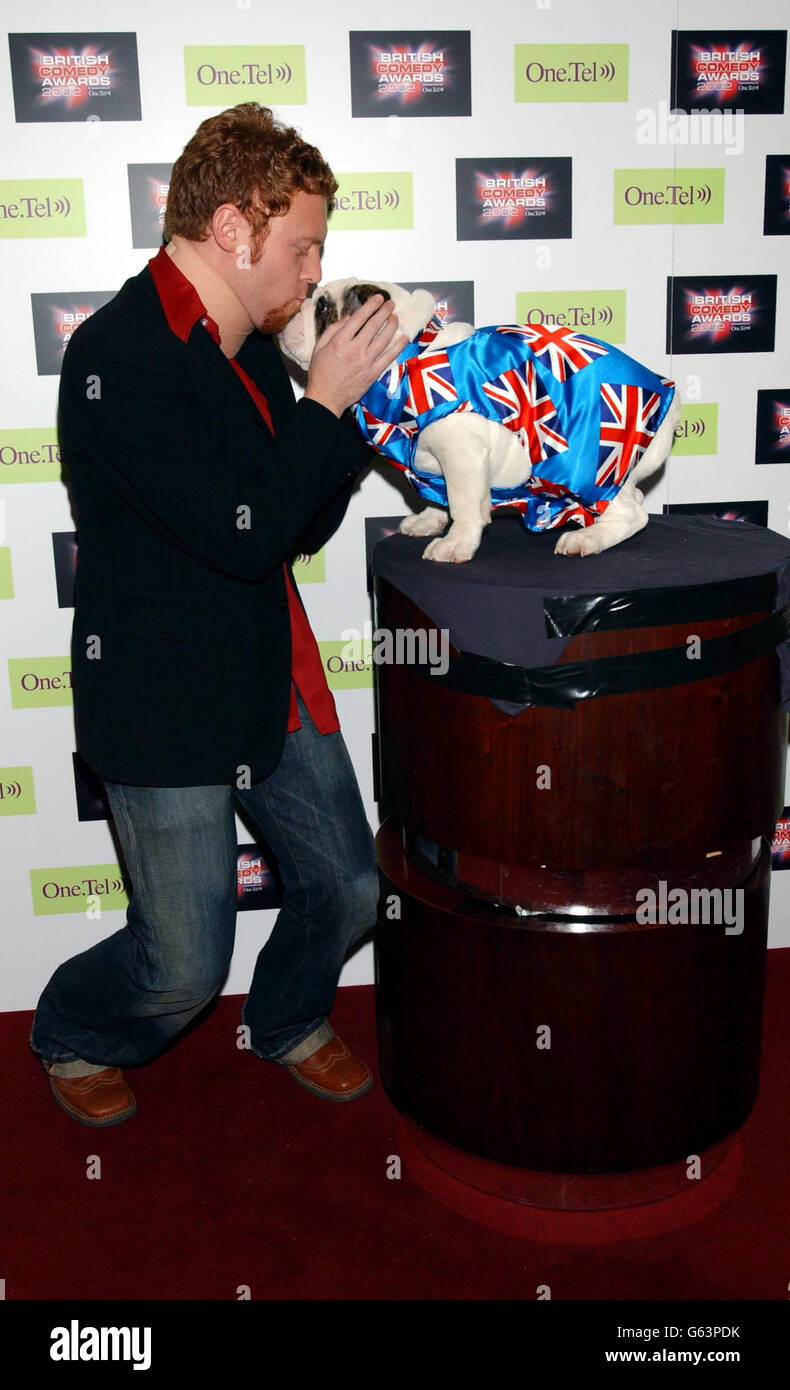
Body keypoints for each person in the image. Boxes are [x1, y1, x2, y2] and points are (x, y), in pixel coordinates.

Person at [28, 102, 407, 1126]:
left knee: (349, 886)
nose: (312, 270)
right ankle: (67, 1027)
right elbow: (242, 532)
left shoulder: (245, 344)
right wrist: (325, 406)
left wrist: (355, 414)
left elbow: (294, 518)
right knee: (185, 964)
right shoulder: (119, 355)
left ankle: (285, 1019)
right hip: (163, 702)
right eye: (302, 245)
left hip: (263, 670)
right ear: (235, 229)